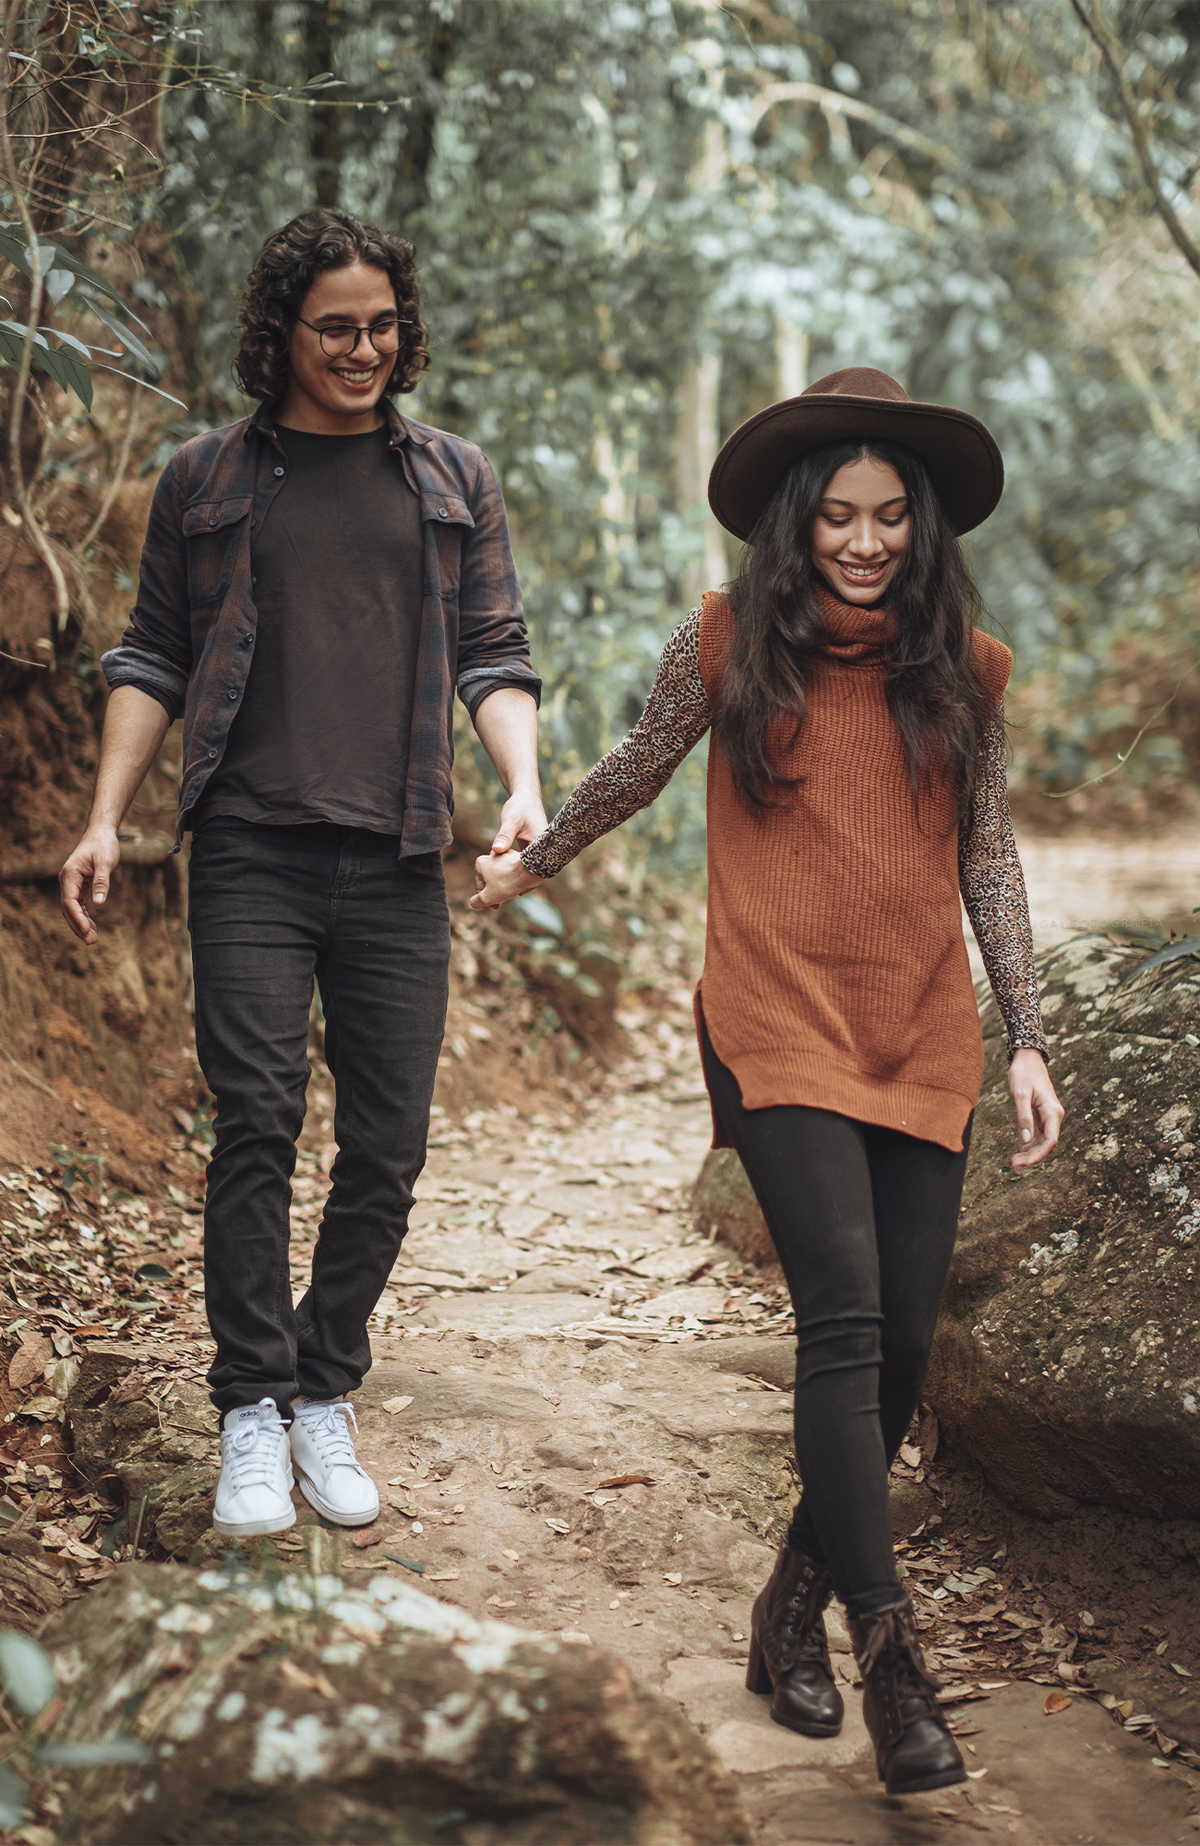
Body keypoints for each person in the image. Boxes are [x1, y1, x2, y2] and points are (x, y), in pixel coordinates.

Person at [471, 368, 1064, 1798]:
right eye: (839, 517)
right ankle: (893, 1661)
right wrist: (538, 855)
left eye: (890, 518)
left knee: (903, 1350)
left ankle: (790, 1602)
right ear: (799, 521)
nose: (865, 541)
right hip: (775, 1010)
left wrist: (1030, 1034)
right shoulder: (728, 641)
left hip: (920, 1026)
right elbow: (637, 763)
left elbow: (987, 851)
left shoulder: (967, 670)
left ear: (922, 527)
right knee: (845, 1321)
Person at [59, 207, 544, 1540]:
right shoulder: (204, 477)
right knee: (257, 1124)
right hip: (251, 850)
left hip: (398, 853)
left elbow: (495, 654)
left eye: (382, 326)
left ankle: (323, 1387)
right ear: (281, 333)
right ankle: (250, 1408)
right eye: (336, 327)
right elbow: (153, 656)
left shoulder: (452, 477)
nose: (363, 349)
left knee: (388, 1142)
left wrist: (522, 784)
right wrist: (103, 818)